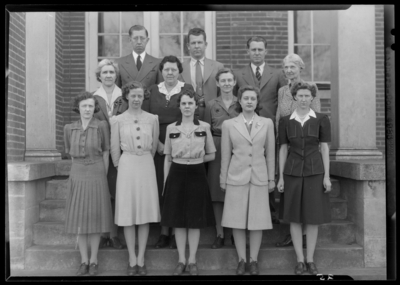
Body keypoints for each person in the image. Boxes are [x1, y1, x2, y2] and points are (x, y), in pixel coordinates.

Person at [277, 82, 332, 275]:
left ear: (312, 98)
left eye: (306, 96)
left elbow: (324, 148)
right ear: (294, 97)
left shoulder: (321, 119)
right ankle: (299, 260)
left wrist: (327, 176)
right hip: (292, 173)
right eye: (299, 95)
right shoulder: (285, 121)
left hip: (314, 171)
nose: (303, 99)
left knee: (312, 217)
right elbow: (283, 149)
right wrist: (281, 177)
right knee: (294, 217)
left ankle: (310, 259)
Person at [220, 85, 275, 275]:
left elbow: (270, 154)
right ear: (240, 101)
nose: (249, 102)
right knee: (237, 221)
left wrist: (271, 179)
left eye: (253, 99)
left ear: (257, 102)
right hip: (236, 176)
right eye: (246, 99)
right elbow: (226, 155)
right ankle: (242, 259)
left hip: (259, 176)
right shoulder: (229, 124)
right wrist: (223, 178)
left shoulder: (267, 123)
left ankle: (254, 260)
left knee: (257, 221)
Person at [142, 55, 196, 249]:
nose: (170, 73)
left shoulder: (187, 89)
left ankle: (177, 231)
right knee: (162, 187)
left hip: (181, 145)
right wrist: (156, 143)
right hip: (157, 147)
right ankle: (164, 232)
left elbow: (191, 116)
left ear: (179, 71)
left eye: (174, 69)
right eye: (166, 69)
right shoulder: (152, 91)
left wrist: (177, 145)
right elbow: (146, 119)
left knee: (178, 188)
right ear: (161, 71)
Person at [161, 89, 216, 275]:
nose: (187, 107)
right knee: (178, 219)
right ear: (180, 106)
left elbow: (212, 154)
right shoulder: (171, 128)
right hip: (176, 172)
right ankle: (181, 260)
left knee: (194, 219)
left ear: (195, 106)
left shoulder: (204, 127)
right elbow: (167, 157)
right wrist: (166, 183)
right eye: (183, 103)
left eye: (190, 103)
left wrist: (200, 157)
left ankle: (192, 260)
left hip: (197, 172)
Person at [234, 36, 287, 225]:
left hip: (269, 127)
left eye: (260, 49)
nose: (257, 52)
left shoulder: (278, 75)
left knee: (268, 166)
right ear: (247, 51)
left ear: (266, 51)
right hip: (247, 129)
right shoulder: (238, 75)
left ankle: (270, 210)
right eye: (253, 49)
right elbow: (235, 102)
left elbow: (284, 101)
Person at [110, 81, 160, 276]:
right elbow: (115, 149)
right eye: (133, 96)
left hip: (146, 164)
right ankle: (132, 259)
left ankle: (141, 258)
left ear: (143, 97)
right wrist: (121, 164)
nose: (137, 99)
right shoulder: (117, 120)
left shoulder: (152, 119)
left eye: (140, 96)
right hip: (127, 164)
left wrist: (144, 156)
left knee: (144, 212)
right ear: (126, 97)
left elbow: (154, 145)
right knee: (129, 213)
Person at [64, 92, 113, 276]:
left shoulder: (101, 126)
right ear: (78, 107)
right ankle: (83, 261)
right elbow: (70, 154)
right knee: (79, 219)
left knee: (94, 219)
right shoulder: (69, 128)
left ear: (95, 108)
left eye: (90, 106)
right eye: (84, 106)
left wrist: (103, 176)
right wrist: (78, 171)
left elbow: (106, 152)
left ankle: (94, 261)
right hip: (77, 173)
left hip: (97, 172)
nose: (87, 109)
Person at [275, 54, 321, 248]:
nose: (289, 70)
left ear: (301, 67)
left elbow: (316, 116)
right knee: (291, 190)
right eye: (286, 67)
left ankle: (303, 233)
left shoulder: (310, 88)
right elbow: (279, 114)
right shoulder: (282, 90)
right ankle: (292, 231)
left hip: (306, 147)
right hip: (287, 144)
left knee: (305, 192)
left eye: (293, 66)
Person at [92, 58, 127, 250]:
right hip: (100, 150)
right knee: (101, 192)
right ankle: (102, 233)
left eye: (111, 72)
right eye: (104, 72)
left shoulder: (125, 96)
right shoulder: (93, 98)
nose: (108, 75)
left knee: (116, 192)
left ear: (116, 75)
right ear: (99, 75)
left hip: (121, 149)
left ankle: (113, 235)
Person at [203, 68, 239, 249]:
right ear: (217, 83)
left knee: (235, 190)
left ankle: (234, 232)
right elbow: (206, 129)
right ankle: (219, 233)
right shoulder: (210, 105)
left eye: (229, 80)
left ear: (234, 82)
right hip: (216, 145)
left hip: (237, 147)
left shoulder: (240, 103)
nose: (226, 84)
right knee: (217, 192)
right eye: (222, 81)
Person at [180, 27, 224, 120]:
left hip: (213, 114)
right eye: (193, 43)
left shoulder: (218, 67)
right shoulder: (180, 68)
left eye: (199, 42)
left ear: (206, 44)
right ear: (188, 46)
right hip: (188, 114)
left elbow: (222, 93)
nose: (196, 46)